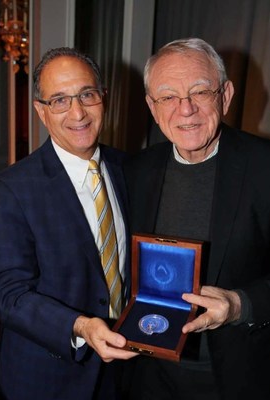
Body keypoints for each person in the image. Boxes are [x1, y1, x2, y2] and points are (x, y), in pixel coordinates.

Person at [0, 47, 136, 400]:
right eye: (60, 100)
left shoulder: (130, 169)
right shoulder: (9, 190)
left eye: (87, 94)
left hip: (123, 371)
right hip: (47, 378)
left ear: (103, 98)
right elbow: (7, 294)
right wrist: (81, 326)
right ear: (41, 111)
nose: (78, 112)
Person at [124, 38, 270, 399]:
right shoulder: (136, 170)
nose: (185, 109)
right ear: (152, 108)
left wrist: (240, 304)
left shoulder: (264, 165)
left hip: (235, 375)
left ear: (226, 95)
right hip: (149, 370)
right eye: (168, 97)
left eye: (200, 91)